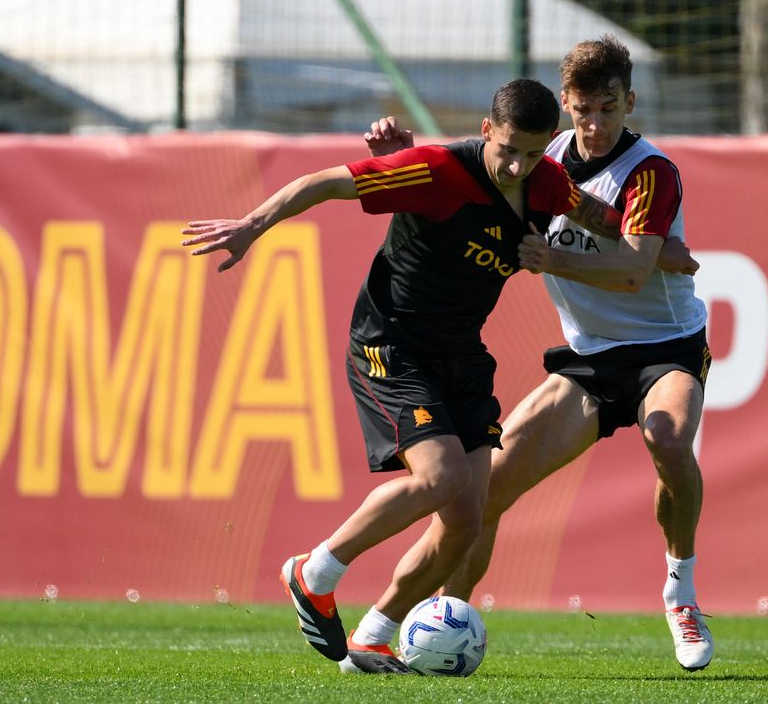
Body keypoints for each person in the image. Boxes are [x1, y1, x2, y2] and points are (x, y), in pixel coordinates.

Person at [182, 79, 625, 675]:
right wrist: (252, 224)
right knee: (441, 478)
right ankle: (315, 571)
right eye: (507, 148)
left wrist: (657, 237)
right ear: (486, 129)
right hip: (392, 345)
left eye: (532, 152)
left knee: (469, 518)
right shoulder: (435, 170)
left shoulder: (546, 182)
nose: (516, 165)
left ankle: (373, 634)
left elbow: (610, 219)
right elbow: (323, 183)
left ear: (549, 145)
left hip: (461, 357)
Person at [369, 35, 714, 672]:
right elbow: (469, 182)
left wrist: (555, 256)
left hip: (664, 347)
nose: (596, 123)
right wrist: (402, 163)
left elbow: (635, 273)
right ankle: (417, 621)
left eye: (609, 108)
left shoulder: (650, 171)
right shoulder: (540, 157)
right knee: (482, 495)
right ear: (565, 105)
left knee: (667, 439)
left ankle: (681, 589)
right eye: (584, 110)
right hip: (588, 359)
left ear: (629, 101)